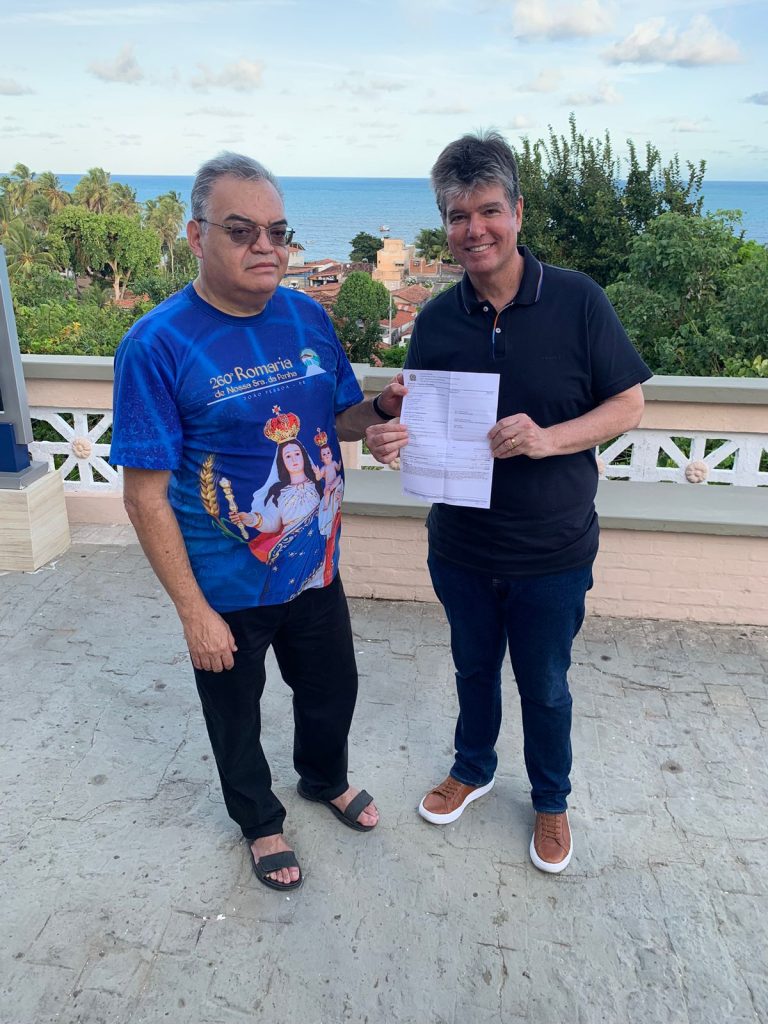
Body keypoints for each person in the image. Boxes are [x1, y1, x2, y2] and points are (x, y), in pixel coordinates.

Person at [111, 152, 405, 891]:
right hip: (226, 588)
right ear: (196, 235)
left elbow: (339, 416)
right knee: (235, 716)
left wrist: (380, 410)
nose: (266, 247)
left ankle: (323, 778)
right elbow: (144, 496)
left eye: (278, 231)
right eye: (241, 230)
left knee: (332, 691)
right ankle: (259, 820)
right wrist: (193, 613)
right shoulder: (156, 344)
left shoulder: (308, 316)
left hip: (315, 567)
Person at [366, 131, 651, 874]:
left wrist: (550, 439)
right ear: (446, 225)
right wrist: (389, 435)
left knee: (546, 686)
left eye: (489, 210)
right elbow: (416, 415)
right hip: (460, 547)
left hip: (552, 550)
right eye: (458, 216)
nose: (475, 230)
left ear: (518, 212)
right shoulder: (436, 320)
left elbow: (628, 404)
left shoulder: (579, 300)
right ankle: (474, 767)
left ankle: (551, 799)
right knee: (471, 669)